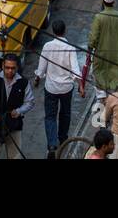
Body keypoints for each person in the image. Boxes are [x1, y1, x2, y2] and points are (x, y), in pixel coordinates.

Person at [35, 19, 83, 159]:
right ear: (64, 30)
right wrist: (80, 85)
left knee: (50, 116)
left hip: (51, 88)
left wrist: (38, 78)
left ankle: (51, 144)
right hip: (66, 88)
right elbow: (75, 69)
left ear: (53, 32)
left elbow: (41, 68)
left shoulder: (47, 46)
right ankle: (63, 139)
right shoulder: (70, 47)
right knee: (65, 114)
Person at [0, 54, 34, 159]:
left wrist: (19, 111)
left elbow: (30, 102)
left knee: (15, 157)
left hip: (14, 125)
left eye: (13, 68)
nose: (10, 71)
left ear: (17, 67)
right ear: (2, 66)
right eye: (7, 68)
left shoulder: (23, 82)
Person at [88, 0, 118, 96]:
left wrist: (90, 49)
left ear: (103, 1)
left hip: (101, 55)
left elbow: (93, 38)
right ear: (114, 2)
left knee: (100, 77)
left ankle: (104, 102)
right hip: (117, 54)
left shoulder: (99, 17)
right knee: (117, 77)